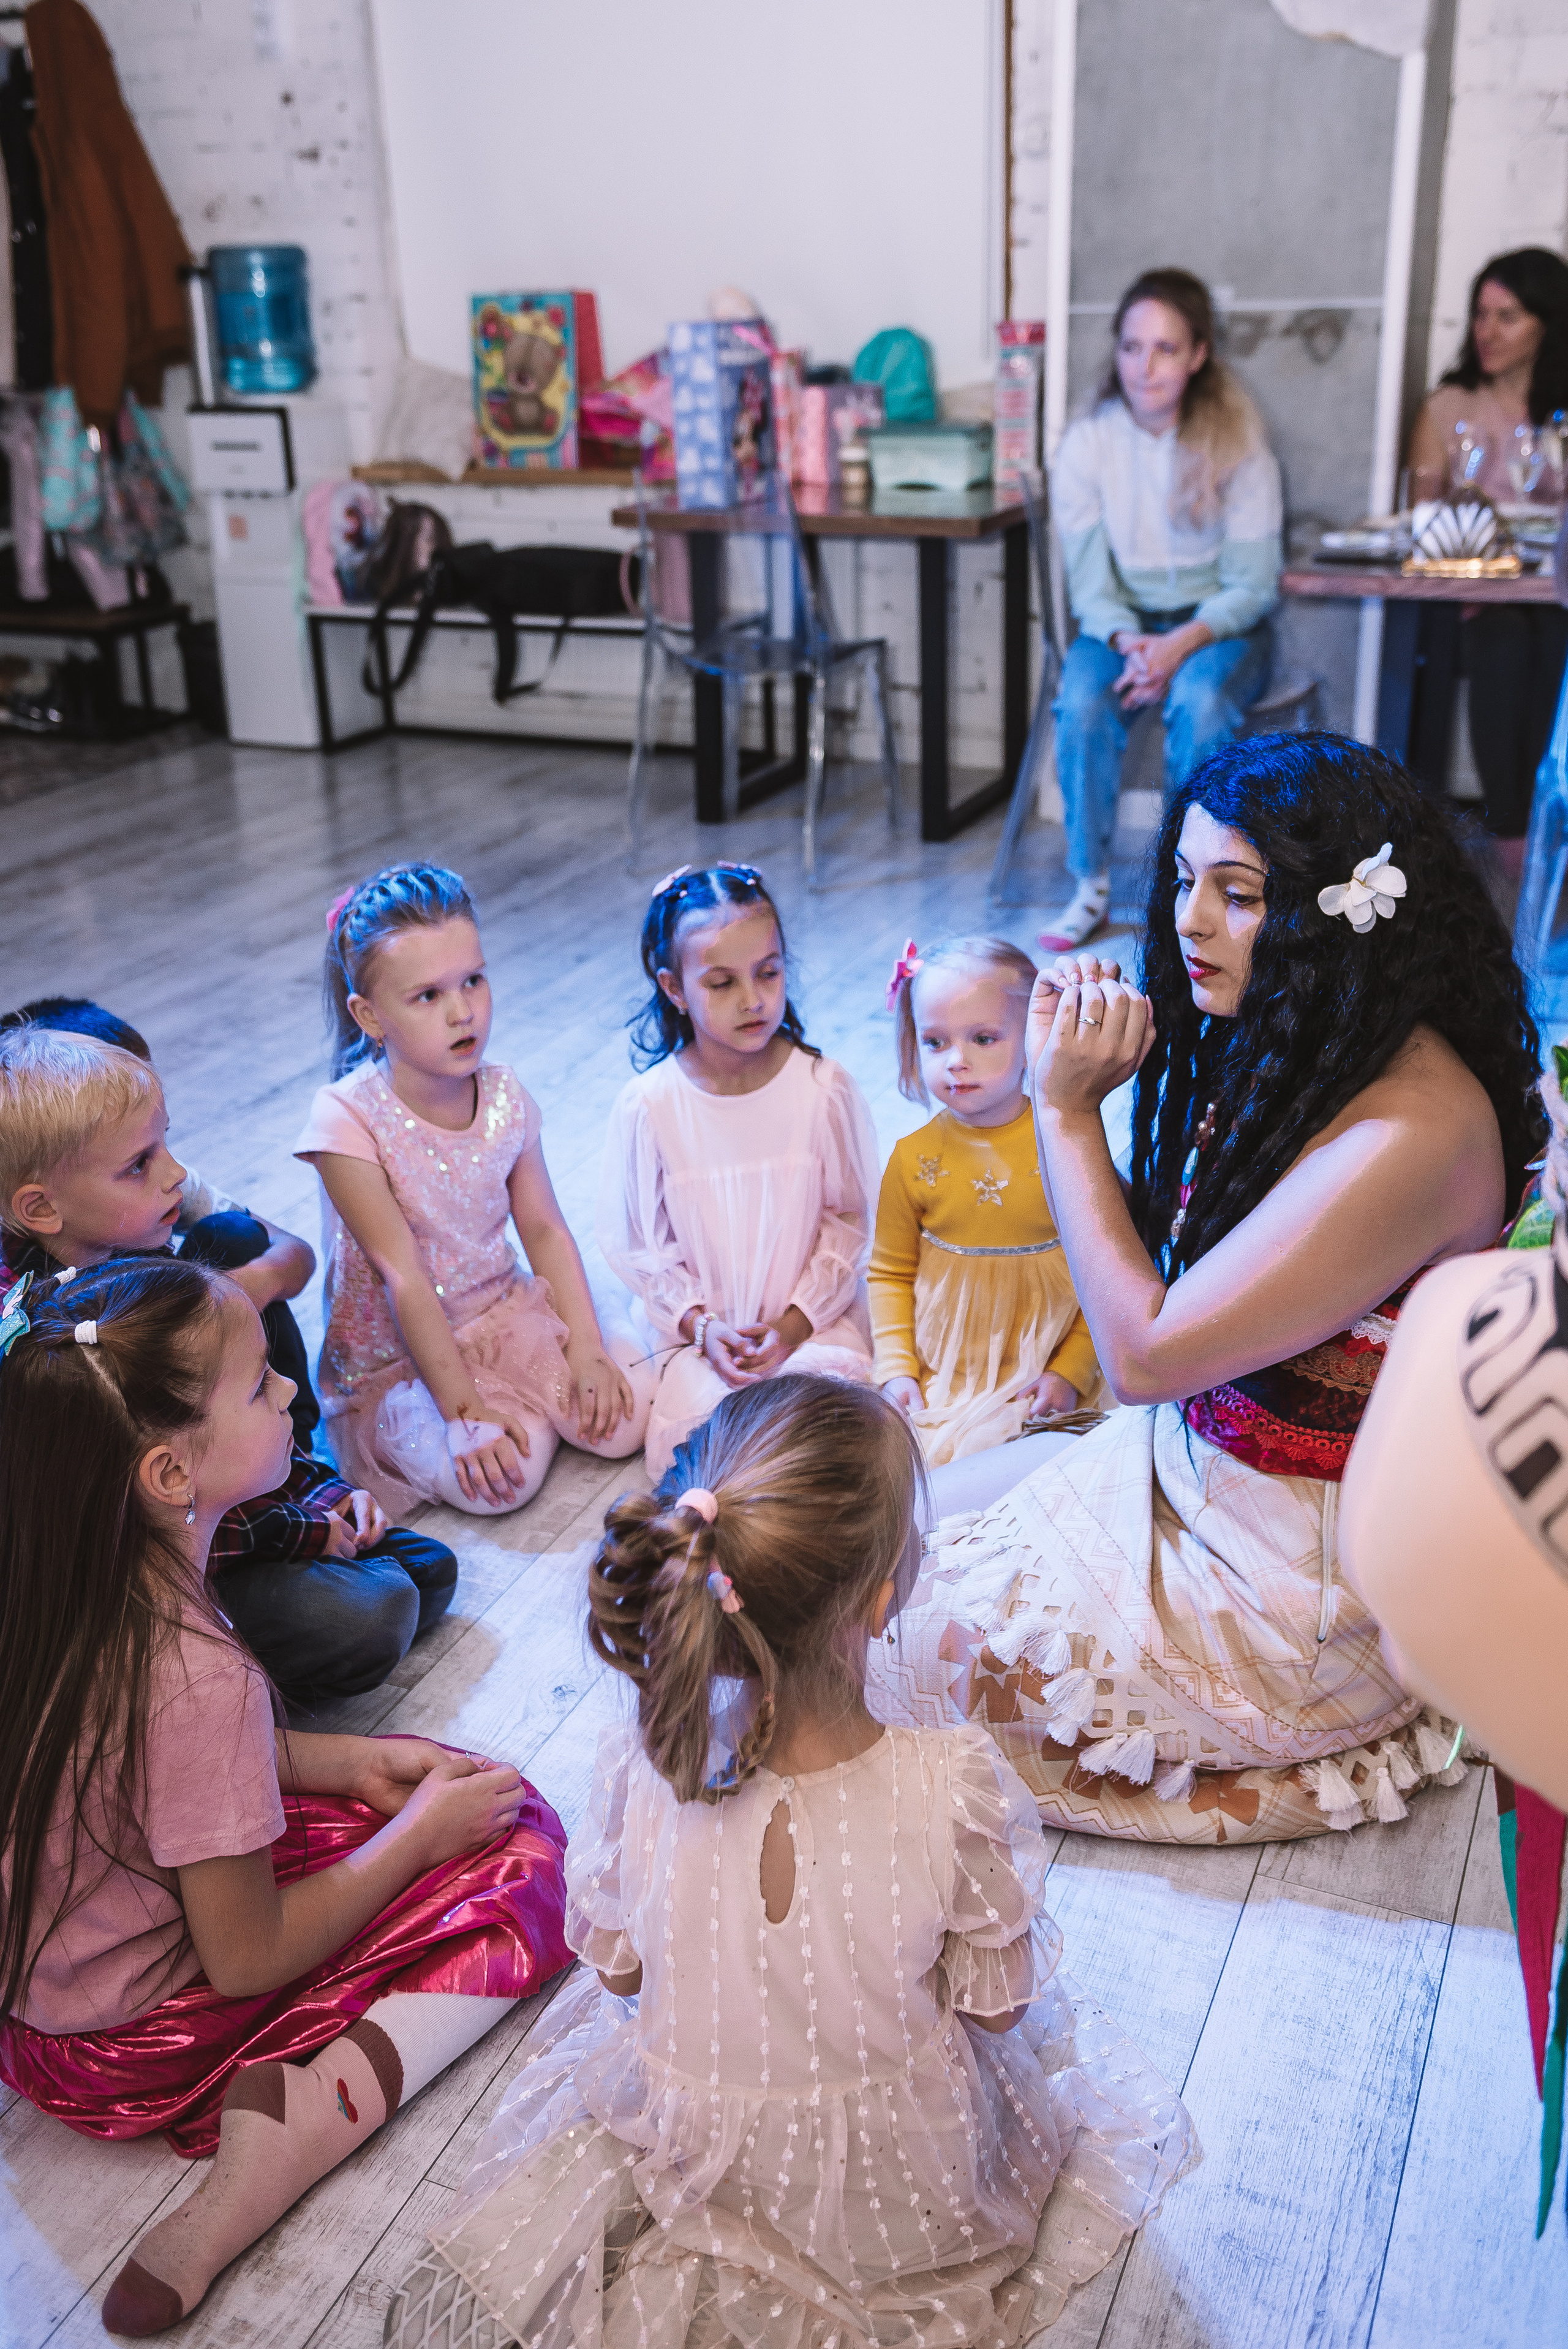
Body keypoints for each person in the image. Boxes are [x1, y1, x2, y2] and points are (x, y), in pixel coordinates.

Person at [382, 1375, 1196, 2349]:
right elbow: (997, 2008)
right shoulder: (949, 1786)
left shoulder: (643, 1764)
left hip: (696, 2152)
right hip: (902, 2194)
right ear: (886, 1597)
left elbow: (620, 1973)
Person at [870, 731, 1542, 1844]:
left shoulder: (1412, 1135)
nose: (1188, 920)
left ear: (1335, 913)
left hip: (1297, 1585)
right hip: (1208, 1469)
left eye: (1238, 893)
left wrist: (1065, 1111)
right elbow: (1184, 1268)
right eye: (1184, 879)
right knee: (883, 1536)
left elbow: (1144, 1355)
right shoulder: (1319, 1033)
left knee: (858, 1642)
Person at [0, 1257, 571, 2337]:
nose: (290, 1394)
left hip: (39, 2024)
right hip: (142, 2043)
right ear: (171, 1470)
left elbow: (138, 1769)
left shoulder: (60, 1580)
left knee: (420, 1776)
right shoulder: (193, 1671)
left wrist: (340, 1763)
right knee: (522, 1855)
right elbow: (247, 1955)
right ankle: (301, 2129)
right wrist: (418, 1838)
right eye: (262, 1381)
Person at [0, 1022, 458, 1709]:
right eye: (139, 1164)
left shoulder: (136, 1252)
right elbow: (148, 1537)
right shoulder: (61, 1348)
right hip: (154, 1579)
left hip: (228, 1504)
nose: (175, 1174)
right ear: (40, 1208)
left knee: (429, 1571)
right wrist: (303, 1529)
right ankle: (200, 1695)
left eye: (165, 1145)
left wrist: (324, 1494)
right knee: (376, 1611)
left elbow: (237, 1405)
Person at [297, 862, 653, 1516]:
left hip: (502, 1311)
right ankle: (520, 1416)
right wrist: (464, 1411)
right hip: (405, 1356)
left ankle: (564, 1380)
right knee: (502, 1483)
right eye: (428, 996)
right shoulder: (346, 1118)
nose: (463, 1012)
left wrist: (587, 1351)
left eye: (473, 981)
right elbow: (402, 1274)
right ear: (369, 1015)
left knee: (624, 1421)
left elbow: (544, 1229)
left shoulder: (504, 1093)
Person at [598, 862, 880, 1477]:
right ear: (675, 989)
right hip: (704, 1340)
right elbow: (647, 1250)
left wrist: (791, 1327)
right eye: (722, 983)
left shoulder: (822, 1089)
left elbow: (846, 1226)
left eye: (769, 973)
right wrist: (704, 1329)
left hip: (808, 1328)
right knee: (711, 1440)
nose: (753, 1000)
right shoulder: (651, 1106)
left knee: (824, 1425)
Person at [1042, 266, 1283, 953]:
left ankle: (1188, 885)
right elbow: (1091, 588)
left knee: (1201, 702)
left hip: (1217, 624)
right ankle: (1089, 884)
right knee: (1082, 703)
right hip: (1122, 626)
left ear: (1198, 354)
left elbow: (1252, 584)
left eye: (1165, 349)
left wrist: (1177, 647)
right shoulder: (1088, 445)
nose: (1143, 367)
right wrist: (1133, 643)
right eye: (1131, 347)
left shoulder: (1237, 440)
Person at [872, 932, 1104, 1463]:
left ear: (1033, 1037)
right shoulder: (911, 1158)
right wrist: (897, 1368)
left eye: (983, 1038)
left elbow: (1104, 1273)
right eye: (935, 1042)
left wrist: (1071, 1370)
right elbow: (889, 1273)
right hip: (944, 1374)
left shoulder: (1069, 1145)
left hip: (1043, 1376)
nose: (957, 1060)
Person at [1406, 248, 1568, 871]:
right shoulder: (1449, 406)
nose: (1487, 331)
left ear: (1547, 324)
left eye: (1507, 316)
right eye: (1480, 314)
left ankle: (1545, 828)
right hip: (1475, 590)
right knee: (1503, 642)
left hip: (1552, 590)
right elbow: (1422, 514)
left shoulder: (1560, 413)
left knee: (1551, 641)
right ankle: (1512, 838)